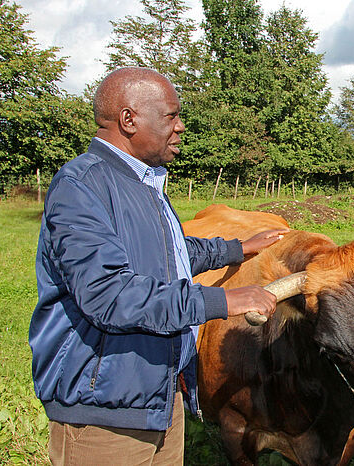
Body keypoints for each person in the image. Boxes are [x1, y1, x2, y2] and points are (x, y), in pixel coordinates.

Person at [29, 67, 288, 465]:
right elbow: (108, 295)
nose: (180, 127)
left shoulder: (143, 184)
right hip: (106, 413)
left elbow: (171, 254)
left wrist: (238, 248)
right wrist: (221, 300)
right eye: (170, 116)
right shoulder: (82, 186)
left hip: (160, 396)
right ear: (129, 120)